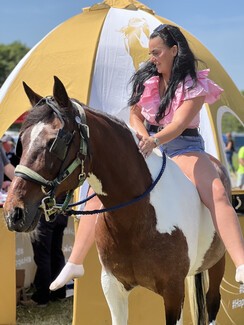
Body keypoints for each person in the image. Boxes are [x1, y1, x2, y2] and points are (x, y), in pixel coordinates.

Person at [50, 23, 244, 291]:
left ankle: (241, 263)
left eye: (157, 52)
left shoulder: (195, 85)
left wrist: (154, 140)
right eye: (150, 52)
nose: (152, 58)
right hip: (148, 146)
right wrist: (143, 138)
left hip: (183, 147)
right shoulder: (148, 81)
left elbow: (178, 124)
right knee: (99, 188)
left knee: (217, 191)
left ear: (174, 50)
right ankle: (75, 262)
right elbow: (135, 116)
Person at [21, 195, 69, 307]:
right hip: (60, 211)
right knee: (56, 253)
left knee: (43, 257)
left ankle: (41, 297)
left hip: (44, 213)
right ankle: (59, 293)